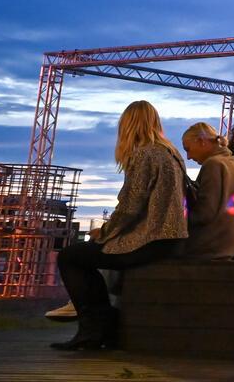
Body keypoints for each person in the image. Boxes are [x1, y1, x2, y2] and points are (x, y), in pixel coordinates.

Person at [52, 101, 188, 349]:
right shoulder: (170, 153)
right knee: (85, 257)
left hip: (150, 240)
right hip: (170, 238)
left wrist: (103, 232)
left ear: (127, 125)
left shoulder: (145, 154)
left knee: (70, 257)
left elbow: (130, 206)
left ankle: (95, 327)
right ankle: (99, 325)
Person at [181, 121, 234, 261]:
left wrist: (178, 218)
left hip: (209, 246)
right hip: (229, 247)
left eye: (188, 149)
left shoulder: (213, 164)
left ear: (201, 141)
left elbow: (205, 213)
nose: (188, 156)